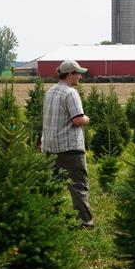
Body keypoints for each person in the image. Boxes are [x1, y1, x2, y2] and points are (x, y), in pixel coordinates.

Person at [41, 59, 94, 229]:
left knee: (52, 186)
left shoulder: (49, 92)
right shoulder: (70, 93)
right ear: (70, 75)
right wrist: (87, 119)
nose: (80, 77)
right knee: (79, 186)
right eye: (78, 73)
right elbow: (77, 119)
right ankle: (85, 224)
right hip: (70, 149)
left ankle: (48, 220)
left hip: (50, 147)